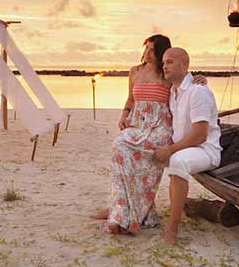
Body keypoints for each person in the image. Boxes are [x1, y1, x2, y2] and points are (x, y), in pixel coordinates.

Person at [92, 36, 208, 234]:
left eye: (152, 50)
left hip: (160, 128)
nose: (146, 53)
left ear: (161, 53)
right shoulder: (134, 72)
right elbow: (130, 99)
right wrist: (124, 114)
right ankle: (119, 207)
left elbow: (186, 83)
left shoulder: (166, 74)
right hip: (137, 125)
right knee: (119, 146)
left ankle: (121, 211)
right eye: (146, 48)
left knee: (144, 159)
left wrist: (201, 79)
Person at [153, 47, 222, 246]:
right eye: (164, 62)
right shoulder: (173, 91)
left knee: (178, 161)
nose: (165, 66)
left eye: (170, 62)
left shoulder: (198, 92)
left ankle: (173, 227)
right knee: (142, 154)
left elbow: (200, 135)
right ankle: (130, 208)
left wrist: (170, 150)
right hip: (183, 146)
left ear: (185, 65)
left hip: (205, 150)